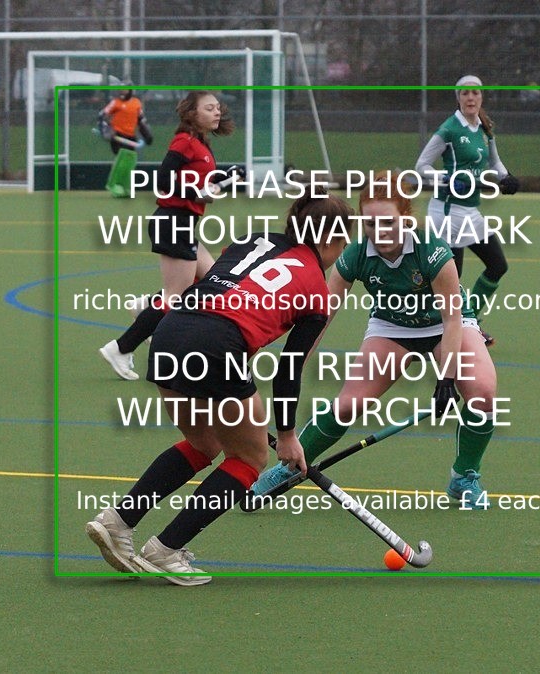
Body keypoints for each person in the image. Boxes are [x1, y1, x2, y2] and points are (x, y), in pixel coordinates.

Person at [85, 190, 352, 585]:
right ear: (334, 239)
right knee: (247, 459)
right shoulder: (316, 287)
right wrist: (288, 435)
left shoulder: (252, 238)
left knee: (203, 444)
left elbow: (216, 281)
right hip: (217, 345)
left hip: (170, 332)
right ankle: (167, 549)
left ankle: (118, 521)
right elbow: (289, 368)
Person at [252, 171, 501, 510]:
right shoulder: (355, 255)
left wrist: (447, 376)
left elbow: (452, 318)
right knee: (347, 405)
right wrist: (293, 368)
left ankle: (464, 477)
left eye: (388, 222)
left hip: (443, 327)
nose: (379, 233)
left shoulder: (432, 250)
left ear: (406, 218)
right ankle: (289, 466)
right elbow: (320, 316)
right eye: (370, 224)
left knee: (482, 391)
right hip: (392, 327)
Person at [99, 90, 238, 380]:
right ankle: (121, 348)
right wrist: (195, 192)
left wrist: (223, 179)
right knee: (177, 297)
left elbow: (198, 184)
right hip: (173, 222)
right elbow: (163, 180)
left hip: (184, 223)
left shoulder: (200, 143)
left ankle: (146, 309)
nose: (216, 113)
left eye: (217, 108)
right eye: (209, 108)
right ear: (192, 113)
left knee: (211, 277)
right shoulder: (184, 141)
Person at [415, 74, 520, 346]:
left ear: (481, 96)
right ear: (458, 98)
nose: (470, 98)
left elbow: (494, 162)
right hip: (447, 214)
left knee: (497, 266)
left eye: (475, 93)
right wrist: (447, 179)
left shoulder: (485, 127)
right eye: (464, 94)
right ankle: (429, 330)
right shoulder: (449, 130)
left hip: (470, 212)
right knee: (451, 280)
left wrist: (506, 177)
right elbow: (421, 167)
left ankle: (469, 323)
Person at [97, 84, 153, 154]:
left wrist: (147, 135)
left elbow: (141, 120)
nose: (122, 91)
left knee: (128, 159)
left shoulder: (136, 103)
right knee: (121, 157)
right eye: (120, 89)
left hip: (130, 138)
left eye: (124, 89)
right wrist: (105, 130)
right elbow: (101, 116)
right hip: (117, 136)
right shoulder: (115, 102)